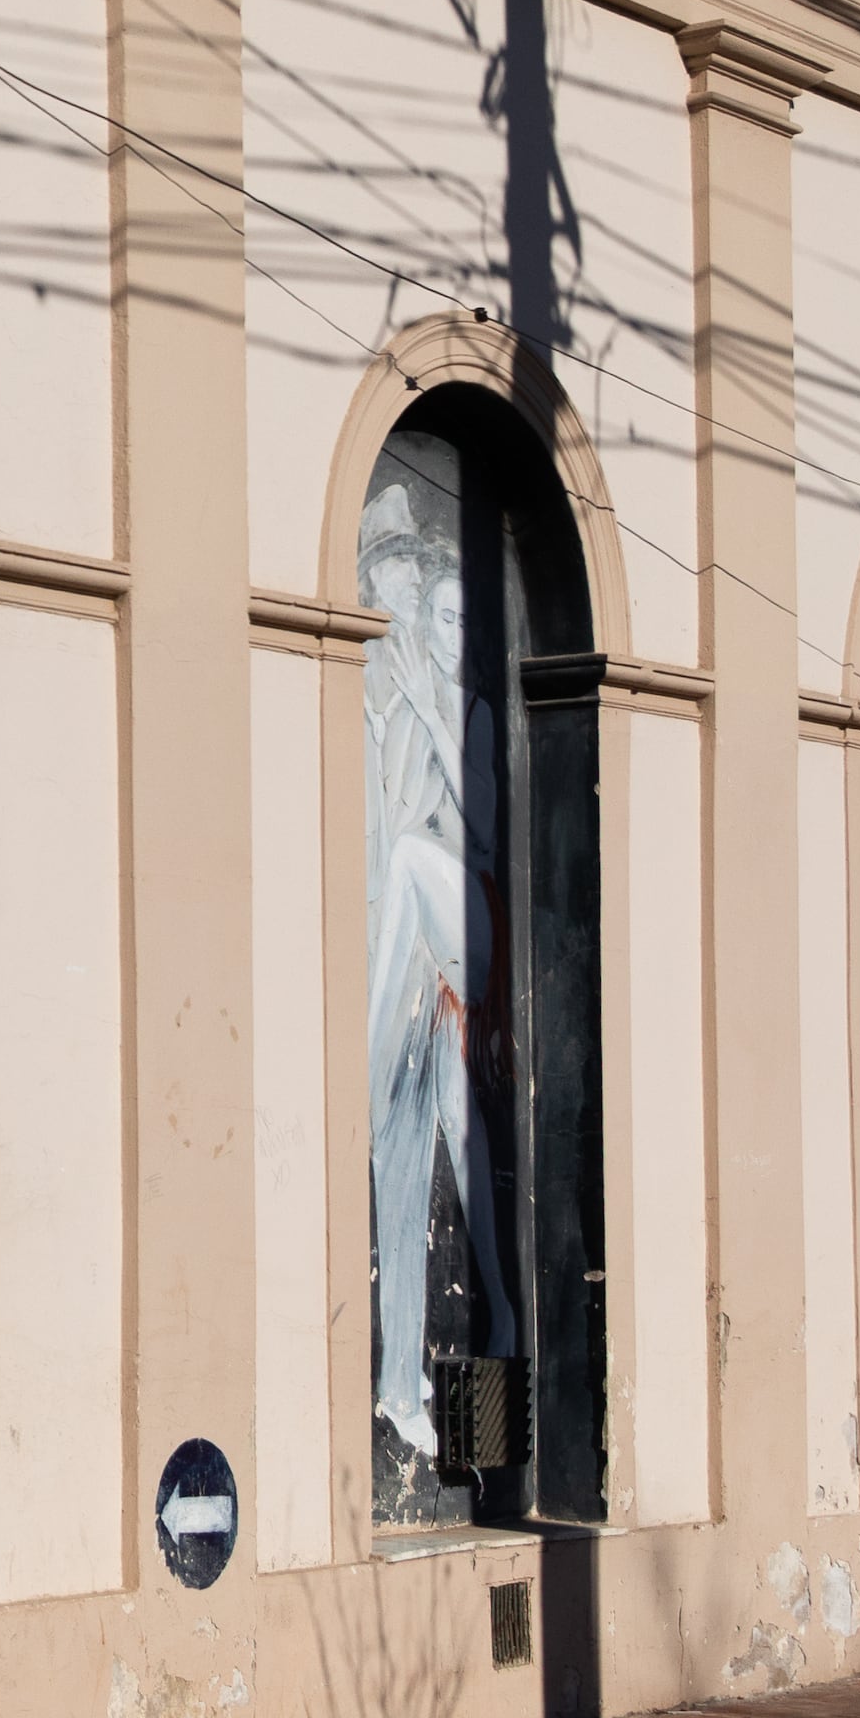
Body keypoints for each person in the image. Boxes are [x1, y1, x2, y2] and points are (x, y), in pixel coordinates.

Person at [361, 482, 498, 1483]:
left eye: (421, 586)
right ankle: (402, 1389)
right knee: (411, 1162)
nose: (405, 600)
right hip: (407, 969)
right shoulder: (371, 690)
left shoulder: (450, 704)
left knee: (411, 859)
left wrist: (429, 705)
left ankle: (480, 1377)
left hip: (453, 935)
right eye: (394, 579)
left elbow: (471, 829)